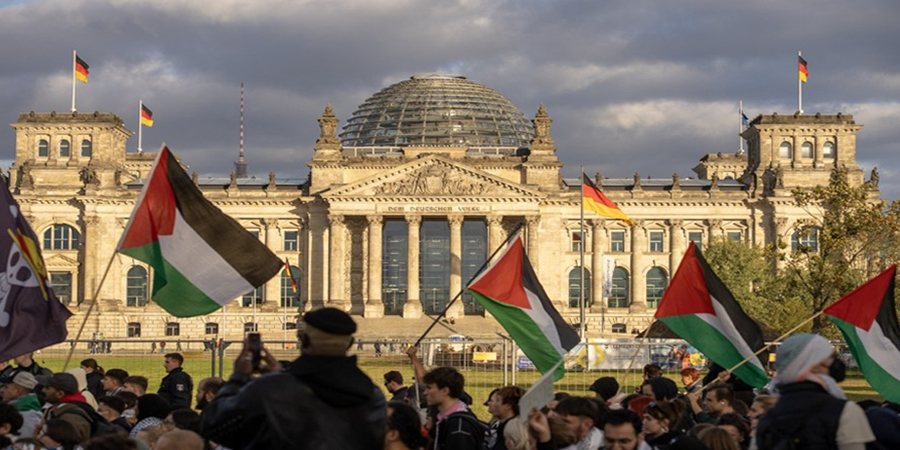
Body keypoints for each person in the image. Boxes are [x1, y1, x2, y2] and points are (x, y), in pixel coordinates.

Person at [200, 307, 386, 449]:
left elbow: (213, 424)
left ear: (304, 340)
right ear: (351, 344)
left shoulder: (273, 388)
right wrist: (282, 375)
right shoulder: (374, 395)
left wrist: (239, 376)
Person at [754, 333, 875, 450]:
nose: (834, 363)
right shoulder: (846, 412)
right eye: (830, 357)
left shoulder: (767, 419)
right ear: (815, 364)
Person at [422, 366, 485, 450]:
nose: (425, 393)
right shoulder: (446, 419)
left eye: (429, 388)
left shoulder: (458, 426)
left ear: (445, 391)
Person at [38, 373, 92, 444]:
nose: (43, 390)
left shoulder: (71, 419)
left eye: (47, 388)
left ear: (60, 394)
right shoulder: (58, 410)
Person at [641, 400, 706, 450]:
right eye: (644, 418)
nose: (644, 422)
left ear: (664, 422)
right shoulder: (648, 442)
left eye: (649, 419)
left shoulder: (682, 444)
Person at [0, 372, 43, 438]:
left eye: (6, 387)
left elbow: (23, 441)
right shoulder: (19, 407)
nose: (1, 390)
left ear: (18, 391)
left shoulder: (27, 413)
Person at [485, 386, 525, 450]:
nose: (494, 404)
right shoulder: (501, 427)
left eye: (498, 401)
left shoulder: (513, 432)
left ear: (508, 405)